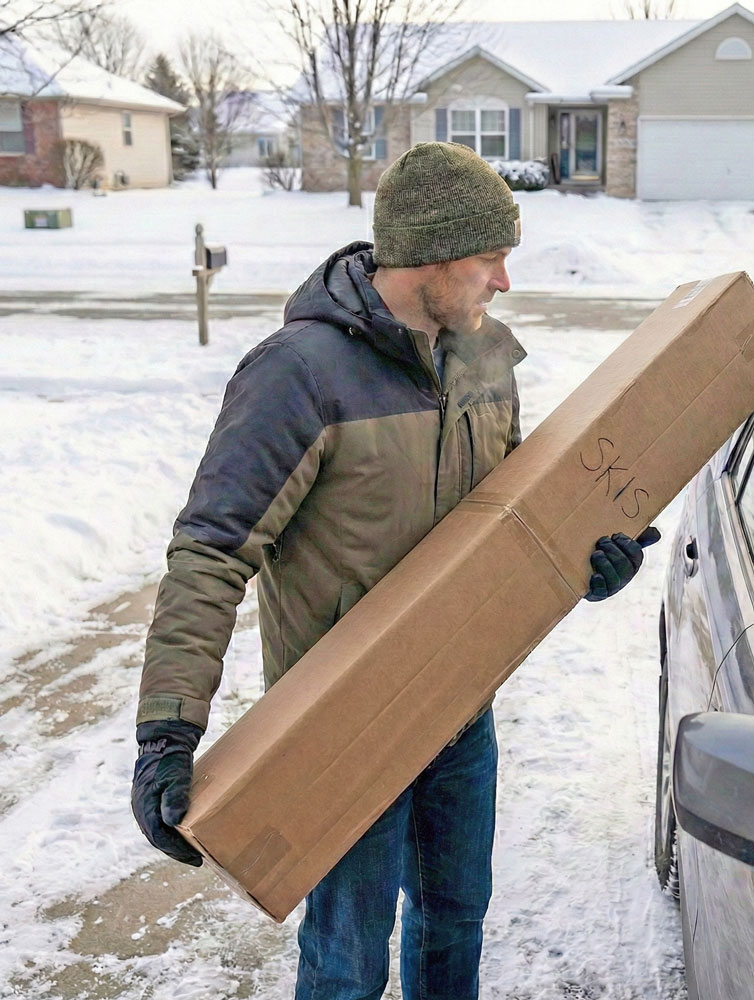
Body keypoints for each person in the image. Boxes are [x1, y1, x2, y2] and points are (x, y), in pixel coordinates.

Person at [130, 141, 659, 1000]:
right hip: (347, 725)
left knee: (455, 921)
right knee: (348, 959)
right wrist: (167, 730)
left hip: (460, 709)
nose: (504, 282)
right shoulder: (300, 375)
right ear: (434, 257)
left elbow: (514, 515)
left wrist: (585, 558)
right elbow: (212, 550)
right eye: (491, 259)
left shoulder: (484, 358)